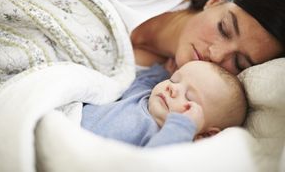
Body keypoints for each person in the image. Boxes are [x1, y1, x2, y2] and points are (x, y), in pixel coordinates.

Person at [53, 0, 285, 75]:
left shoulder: (164, 84)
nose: (216, 55)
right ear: (215, 0)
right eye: (223, 30)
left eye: (239, 63)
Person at [81, 60, 247, 147]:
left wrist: (183, 126)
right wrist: (161, 71)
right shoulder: (142, 95)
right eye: (174, 79)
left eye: (189, 97)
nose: (172, 88)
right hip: (67, 123)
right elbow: (141, 81)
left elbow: (154, 162)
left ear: (205, 135)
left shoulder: (171, 139)